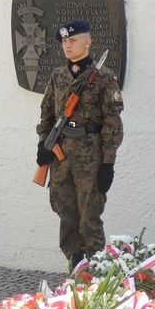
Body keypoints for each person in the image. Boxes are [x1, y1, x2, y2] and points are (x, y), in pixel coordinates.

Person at [36, 19, 124, 270]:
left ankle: (94, 269)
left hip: (90, 157)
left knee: (90, 216)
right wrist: (43, 144)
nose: (67, 45)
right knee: (66, 213)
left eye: (73, 40)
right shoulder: (57, 77)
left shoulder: (104, 78)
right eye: (64, 41)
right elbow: (47, 116)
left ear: (88, 41)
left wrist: (108, 162)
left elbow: (112, 124)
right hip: (61, 155)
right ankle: (74, 265)